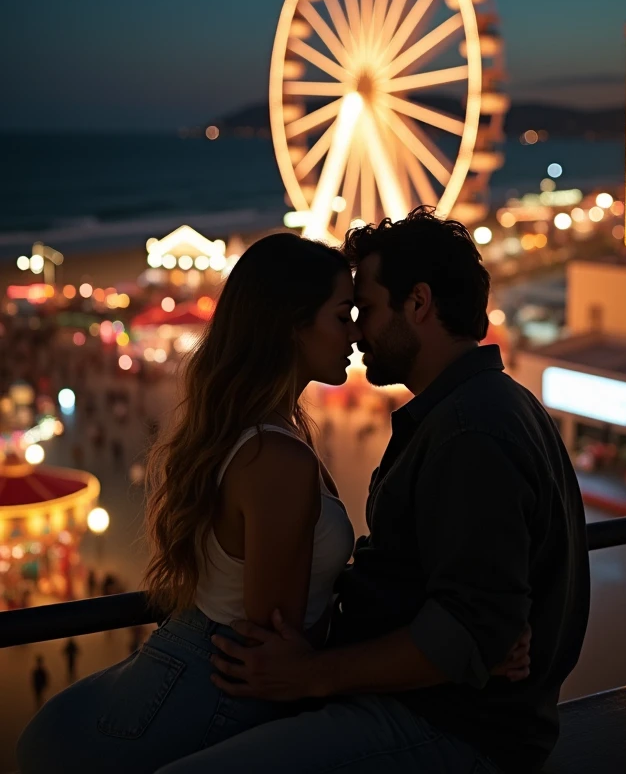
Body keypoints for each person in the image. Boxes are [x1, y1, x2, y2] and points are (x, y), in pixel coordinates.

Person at [155, 208, 589, 774]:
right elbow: (472, 606)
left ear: (419, 304)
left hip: (457, 729)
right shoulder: (485, 408)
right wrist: (491, 626)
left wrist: (311, 673)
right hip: (439, 706)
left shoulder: (470, 434)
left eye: (367, 310)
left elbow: (466, 631)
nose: (356, 330)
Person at [16, 236, 365, 771]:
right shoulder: (276, 457)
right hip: (222, 684)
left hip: (189, 652)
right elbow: (276, 641)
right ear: (292, 325)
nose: (356, 332)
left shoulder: (248, 433)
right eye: (344, 315)